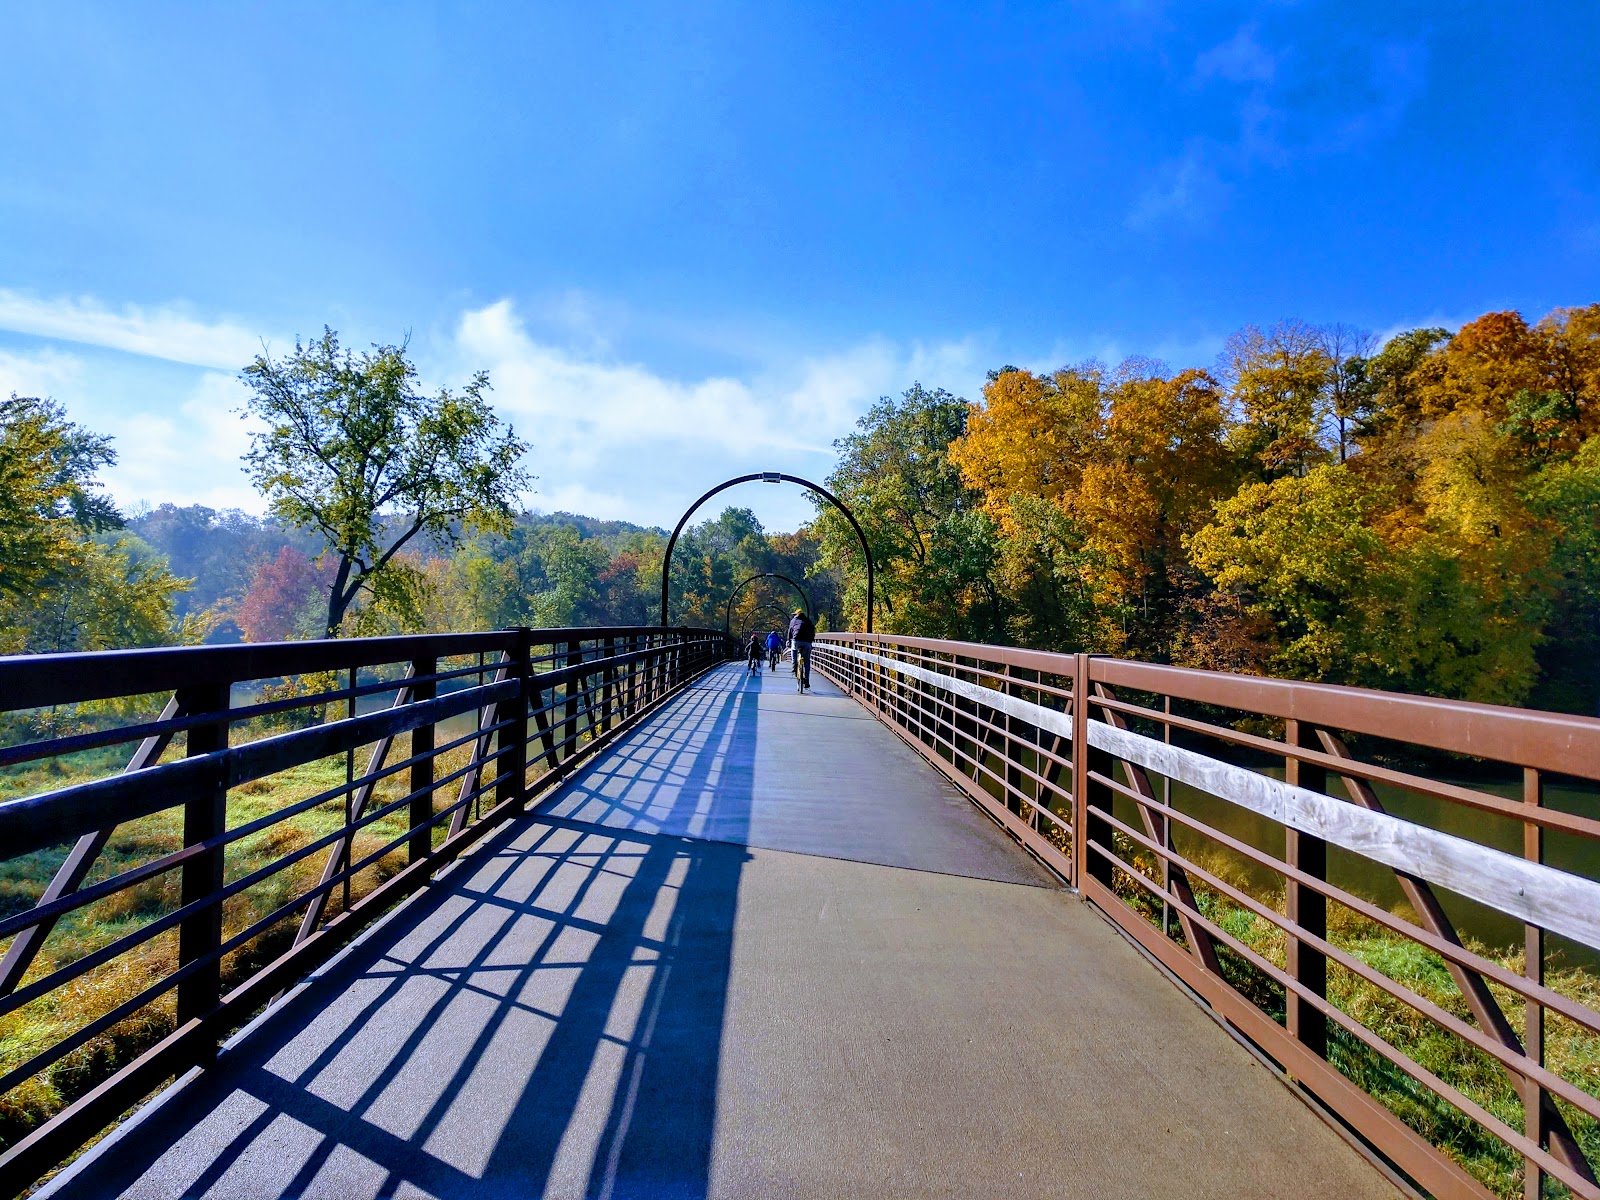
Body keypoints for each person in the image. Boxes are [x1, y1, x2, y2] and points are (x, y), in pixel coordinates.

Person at [787, 607, 816, 692]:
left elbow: (790, 632)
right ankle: (806, 680)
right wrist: (810, 642)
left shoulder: (793, 621)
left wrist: (788, 641)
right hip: (807, 643)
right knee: (807, 661)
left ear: (796, 614)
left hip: (796, 641)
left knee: (793, 648)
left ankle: (794, 663)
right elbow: (812, 632)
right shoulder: (808, 621)